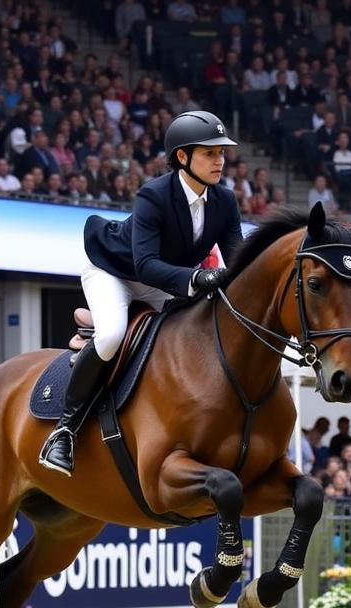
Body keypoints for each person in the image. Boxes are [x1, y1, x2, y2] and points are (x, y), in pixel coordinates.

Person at [39, 110, 243, 477]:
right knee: (113, 335)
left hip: (165, 282)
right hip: (115, 271)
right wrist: (198, 279)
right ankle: (64, 431)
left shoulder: (225, 202)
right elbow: (146, 264)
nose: (220, 160)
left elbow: (239, 260)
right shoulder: (154, 195)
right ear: (183, 157)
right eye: (210, 153)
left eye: (222, 153)